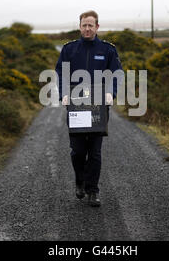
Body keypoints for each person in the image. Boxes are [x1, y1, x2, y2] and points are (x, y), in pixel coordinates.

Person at [55, 10, 123, 207]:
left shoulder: (108, 50)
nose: (87, 28)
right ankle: (80, 180)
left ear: (97, 27)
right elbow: (61, 73)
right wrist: (64, 94)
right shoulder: (69, 49)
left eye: (91, 25)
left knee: (94, 151)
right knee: (77, 151)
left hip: (99, 107)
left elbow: (117, 73)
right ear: (80, 26)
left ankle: (93, 191)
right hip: (76, 105)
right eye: (84, 25)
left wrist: (111, 92)